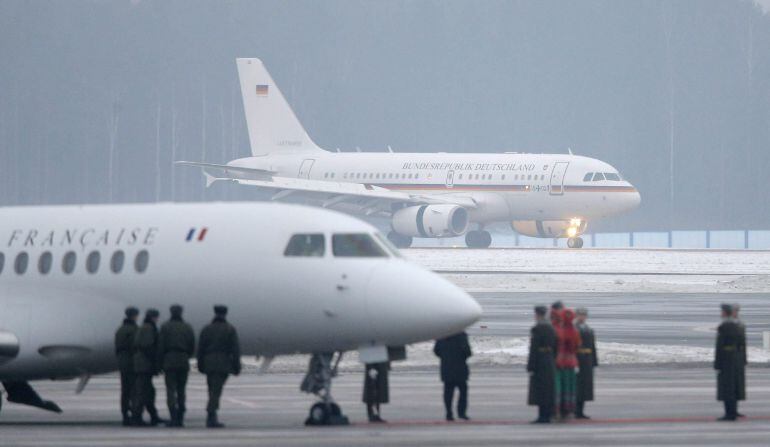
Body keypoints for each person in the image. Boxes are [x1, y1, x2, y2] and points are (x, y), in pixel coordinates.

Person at [198, 305, 241, 428]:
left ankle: (212, 415)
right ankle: (211, 416)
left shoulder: (206, 329)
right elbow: (235, 350)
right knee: (216, 392)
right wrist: (237, 367)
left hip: (209, 363)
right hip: (223, 363)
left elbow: (200, 349)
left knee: (211, 390)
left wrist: (200, 365)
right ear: (225, 314)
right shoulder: (229, 329)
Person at [158, 304, 195, 427]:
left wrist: (161, 360)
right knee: (181, 390)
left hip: (169, 359)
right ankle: (181, 416)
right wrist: (186, 355)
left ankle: (173, 416)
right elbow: (192, 345)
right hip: (183, 359)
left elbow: (161, 346)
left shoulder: (165, 327)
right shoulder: (187, 327)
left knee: (170, 389)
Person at [131, 308, 165, 426]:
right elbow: (147, 347)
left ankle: (152, 415)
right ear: (153, 317)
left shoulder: (145, 327)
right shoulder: (148, 328)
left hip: (143, 364)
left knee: (148, 391)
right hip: (144, 365)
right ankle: (137, 417)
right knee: (143, 391)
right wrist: (155, 362)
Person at [527, 305, 557, 424]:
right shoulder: (551, 328)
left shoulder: (537, 328)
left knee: (540, 390)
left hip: (540, 361)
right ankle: (548, 415)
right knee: (548, 390)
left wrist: (531, 365)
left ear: (537, 314)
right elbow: (556, 345)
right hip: (549, 360)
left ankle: (542, 416)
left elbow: (534, 349)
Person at [433, 332, 472, 421]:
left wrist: (445, 357)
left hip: (447, 369)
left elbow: (436, 350)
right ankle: (461, 413)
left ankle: (449, 413)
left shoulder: (442, 335)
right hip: (460, 369)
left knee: (448, 393)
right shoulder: (461, 336)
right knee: (463, 392)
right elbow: (467, 352)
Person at [715, 304, 743, 421]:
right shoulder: (736, 325)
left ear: (726, 313)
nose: (721, 313)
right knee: (731, 386)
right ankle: (731, 412)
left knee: (728, 387)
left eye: (722, 311)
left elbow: (721, 346)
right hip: (733, 359)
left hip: (727, 360)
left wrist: (718, 362)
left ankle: (730, 414)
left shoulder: (727, 326)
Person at [114, 306, 139, 426]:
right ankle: (134, 415)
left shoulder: (120, 329)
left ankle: (125, 414)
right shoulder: (134, 330)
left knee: (125, 391)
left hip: (122, 362)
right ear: (134, 316)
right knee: (134, 390)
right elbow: (136, 346)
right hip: (132, 362)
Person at [555, 308, 581, 421]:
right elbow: (577, 345)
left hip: (560, 362)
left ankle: (558, 410)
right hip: (571, 362)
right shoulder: (574, 331)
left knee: (560, 386)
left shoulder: (559, 330)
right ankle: (569, 409)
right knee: (570, 386)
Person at [575, 307, 598, 419]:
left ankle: (581, 411)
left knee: (585, 387)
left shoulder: (588, 329)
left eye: (584, 315)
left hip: (587, 361)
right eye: (580, 315)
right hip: (578, 359)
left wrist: (594, 362)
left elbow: (592, 347)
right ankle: (575, 410)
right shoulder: (573, 329)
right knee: (577, 387)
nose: (582, 317)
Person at [732, 303, 747, 418]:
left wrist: (744, 358)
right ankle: (730, 411)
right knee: (730, 387)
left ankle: (734, 410)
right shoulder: (727, 324)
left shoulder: (740, 324)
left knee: (737, 386)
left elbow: (743, 343)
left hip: (738, 359)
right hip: (730, 359)